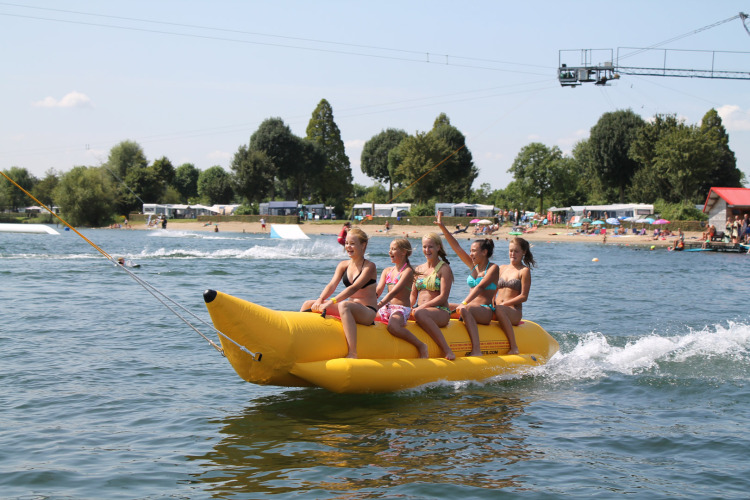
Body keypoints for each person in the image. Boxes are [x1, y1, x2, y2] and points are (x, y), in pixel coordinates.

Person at [300, 228, 377, 358]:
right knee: (308, 304)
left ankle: (353, 352)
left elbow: (353, 288)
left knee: (344, 305)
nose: (348, 246)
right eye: (346, 243)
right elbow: (331, 285)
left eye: (352, 243)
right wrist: (320, 299)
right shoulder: (343, 265)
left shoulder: (369, 267)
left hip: (367, 312)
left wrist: (331, 302)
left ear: (363, 245)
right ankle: (299, 339)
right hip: (349, 309)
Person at [436, 211, 499, 356]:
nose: (470, 254)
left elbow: (481, 287)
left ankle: (477, 349)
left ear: (484, 252)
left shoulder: (493, 268)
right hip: (468, 306)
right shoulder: (473, 266)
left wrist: (464, 303)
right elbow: (457, 248)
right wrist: (442, 227)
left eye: (474, 251)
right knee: (442, 305)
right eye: (470, 251)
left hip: (485, 310)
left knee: (466, 309)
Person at [376, 238, 428, 358]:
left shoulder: (407, 271)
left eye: (394, 249)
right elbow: (378, 290)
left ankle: (421, 345)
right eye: (390, 249)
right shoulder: (387, 271)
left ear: (404, 252)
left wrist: (378, 305)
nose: (390, 252)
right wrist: (368, 303)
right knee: (366, 317)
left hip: (401, 309)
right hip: (387, 307)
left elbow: (394, 292)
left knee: (393, 326)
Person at [410, 232, 456, 360]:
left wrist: (421, 307)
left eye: (430, 247)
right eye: (424, 247)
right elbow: (413, 295)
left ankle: (447, 350)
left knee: (420, 314)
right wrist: (407, 307)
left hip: (440, 311)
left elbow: (443, 297)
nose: (427, 250)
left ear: (438, 247)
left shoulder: (444, 269)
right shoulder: (418, 269)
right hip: (420, 309)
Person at [493, 237, 535, 355]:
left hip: (513, 311)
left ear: (523, 252)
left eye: (516, 251)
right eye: (511, 251)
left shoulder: (524, 271)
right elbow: (493, 291)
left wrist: (504, 304)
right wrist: (490, 302)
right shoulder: (501, 268)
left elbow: (524, 296)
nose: (512, 254)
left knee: (499, 309)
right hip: (497, 307)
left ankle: (514, 347)